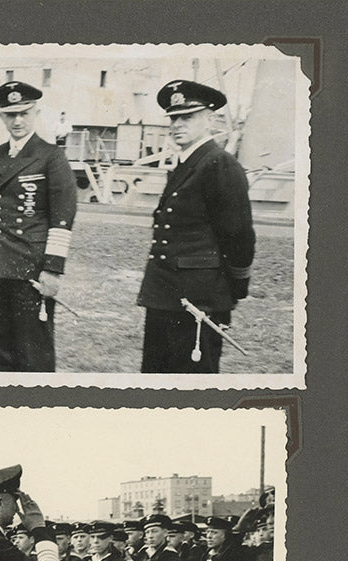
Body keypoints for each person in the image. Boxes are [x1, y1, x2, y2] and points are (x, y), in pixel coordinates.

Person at [137, 80, 256, 373]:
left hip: (199, 297)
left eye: (187, 117)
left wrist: (235, 289)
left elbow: (238, 236)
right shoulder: (187, 163)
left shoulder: (219, 164)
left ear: (210, 118)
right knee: (157, 378)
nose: (177, 124)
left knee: (191, 382)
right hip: (165, 294)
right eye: (173, 118)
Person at [0, 80, 78, 372]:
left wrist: (53, 269)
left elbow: (62, 219)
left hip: (31, 267)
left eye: (23, 113)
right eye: (10, 115)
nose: (17, 121)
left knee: (33, 350)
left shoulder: (51, 157)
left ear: (35, 113)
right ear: (1, 117)